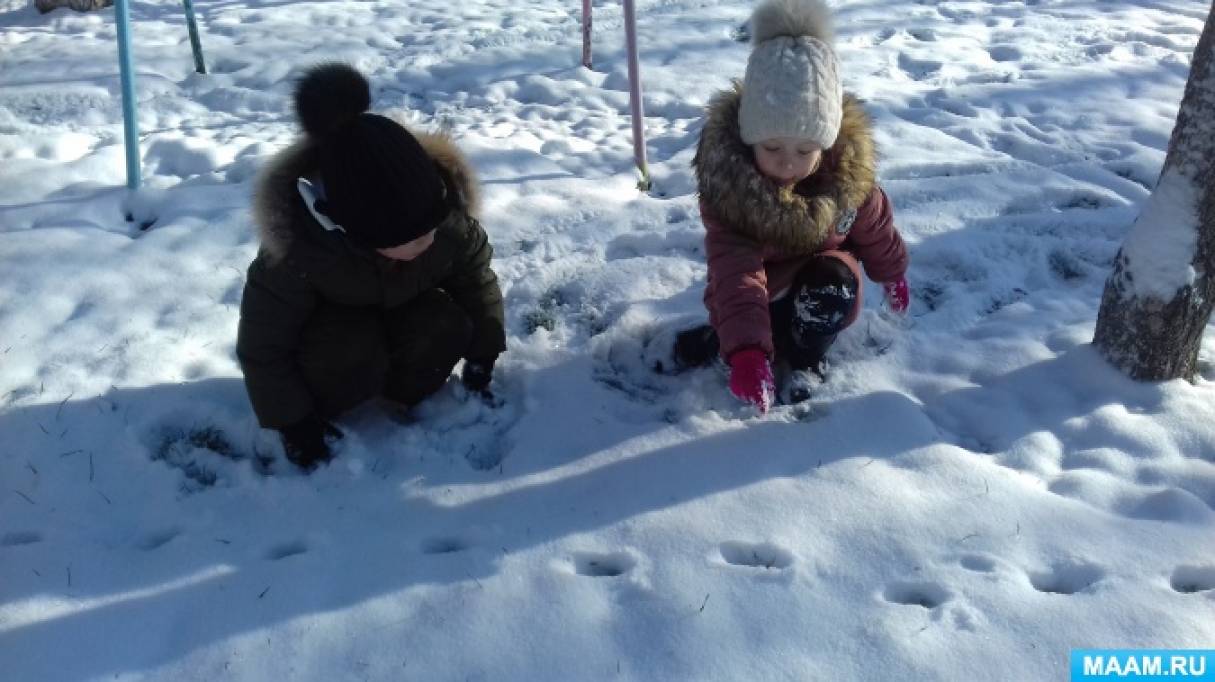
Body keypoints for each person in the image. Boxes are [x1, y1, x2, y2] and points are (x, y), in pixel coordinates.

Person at [237, 63, 505, 471]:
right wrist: (293, 422)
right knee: (348, 351)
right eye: (408, 239)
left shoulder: (443, 221)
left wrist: (484, 349)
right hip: (334, 336)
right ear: (355, 232)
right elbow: (263, 343)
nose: (426, 242)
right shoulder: (301, 250)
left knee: (446, 323)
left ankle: (402, 388)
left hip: (405, 312)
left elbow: (477, 282)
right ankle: (346, 393)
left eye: (429, 231)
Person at [677, 0, 910, 412]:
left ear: (828, 142)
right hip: (756, 293)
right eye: (772, 147)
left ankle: (806, 358)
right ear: (750, 140)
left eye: (805, 149)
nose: (788, 162)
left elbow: (876, 230)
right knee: (741, 310)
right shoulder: (734, 191)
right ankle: (738, 346)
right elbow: (737, 274)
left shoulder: (847, 183)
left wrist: (892, 273)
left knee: (832, 282)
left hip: (817, 287)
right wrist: (748, 349)